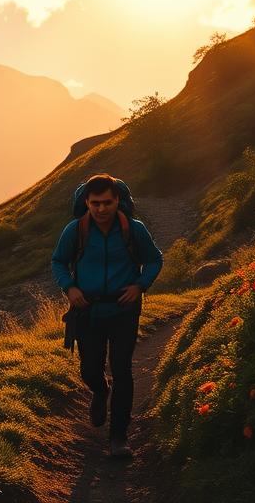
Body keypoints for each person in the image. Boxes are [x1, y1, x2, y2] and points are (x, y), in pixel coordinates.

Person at [50, 173, 163, 458]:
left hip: (124, 309)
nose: (102, 209)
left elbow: (154, 259)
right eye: (96, 203)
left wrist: (140, 286)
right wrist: (70, 287)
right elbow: (58, 262)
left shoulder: (133, 229)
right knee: (89, 369)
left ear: (118, 201)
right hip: (87, 310)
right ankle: (100, 391)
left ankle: (119, 438)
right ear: (86, 202)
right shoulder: (75, 231)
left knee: (122, 368)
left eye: (107, 203)